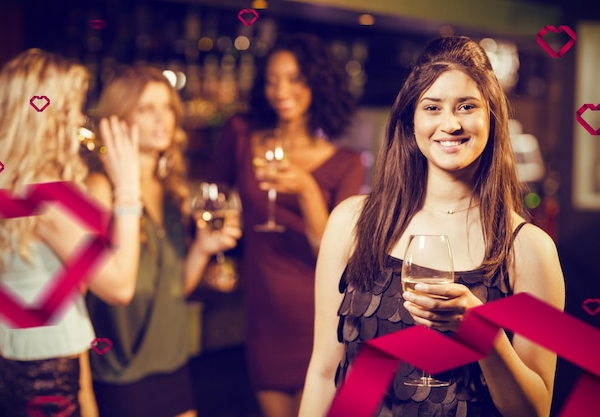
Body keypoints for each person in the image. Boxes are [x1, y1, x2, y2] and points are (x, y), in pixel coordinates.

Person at [298, 36, 566, 417]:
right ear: (412, 119)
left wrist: (479, 331)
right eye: (433, 107)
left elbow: (534, 410)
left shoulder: (530, 249)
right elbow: (325, 374)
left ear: (491, 116)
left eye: (467, 106)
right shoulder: (350, 223)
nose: (450, 124)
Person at [0, 49, 141, 417]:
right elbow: (120, 287)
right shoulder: (44, 200)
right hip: (43, 376)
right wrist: (129, 189)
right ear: (46, 117)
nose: (79, 119)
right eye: (72, 109)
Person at [210, 34, 366, 417]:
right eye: (272, 79)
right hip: (264, 312)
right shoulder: (242, 134)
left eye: (295, 79)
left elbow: (338, 257)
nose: (281, 90)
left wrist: (307, 189)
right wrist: (218, 253)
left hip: (318, 312)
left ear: (316, 83)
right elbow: (216, 195)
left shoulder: (346, 163)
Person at [84, 66, 240, 417]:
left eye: (167, 107)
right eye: (146, 109)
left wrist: (202, 249)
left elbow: (175, 291)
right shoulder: (101, 190)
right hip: (119, 370)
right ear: (119, 119)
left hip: (172, 361)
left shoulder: (174, 193)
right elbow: (81, 297)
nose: (161, 119)